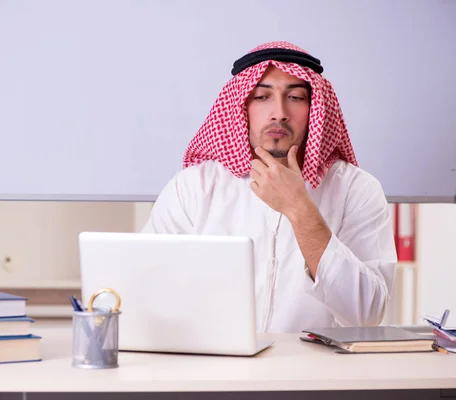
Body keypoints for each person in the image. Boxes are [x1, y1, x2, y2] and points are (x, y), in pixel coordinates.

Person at [141, 41, 397, 333]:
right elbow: (145, 289)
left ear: (315, 109)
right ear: (242, 108)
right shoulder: (193, 189)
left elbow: (367, 314)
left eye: (296, 97)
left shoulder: (356, 190)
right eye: (262, 97)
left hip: (316, 375)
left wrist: (300, 210)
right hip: (212, 372)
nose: (279, 112)